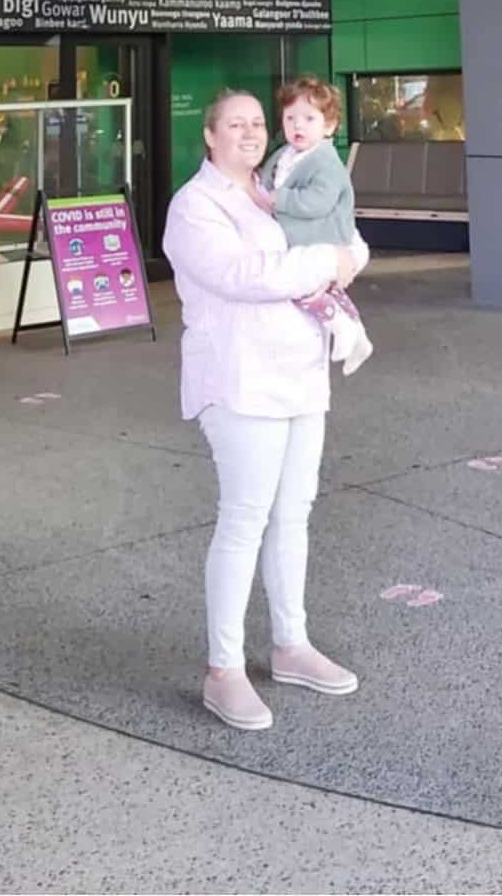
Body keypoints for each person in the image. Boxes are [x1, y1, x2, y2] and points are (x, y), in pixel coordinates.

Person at [162, 88, 368, 731]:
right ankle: (223, 669)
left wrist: (338, 259)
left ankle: (290, 645)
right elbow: (246, 275)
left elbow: (352, 243)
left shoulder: (282, 178)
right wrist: (325, 262)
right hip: (241, 381)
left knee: (294, 514)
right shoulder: (194, 207)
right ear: (209, 135)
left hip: (302, 374)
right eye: (237, 124)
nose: (252, 132)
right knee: (245, 518)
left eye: (258, 122)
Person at [260, 77, 373, 377]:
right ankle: (357, 333)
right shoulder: (283, 155)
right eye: (290, 118)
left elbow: (318, 202)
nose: (298, 125)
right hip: (305, 239)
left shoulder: (326, 161)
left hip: (322, 237)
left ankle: (341, 327)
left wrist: (278, 199)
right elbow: (265, 181)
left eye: (309, 118)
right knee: (327, 290)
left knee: (304, 288)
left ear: (330, 126)